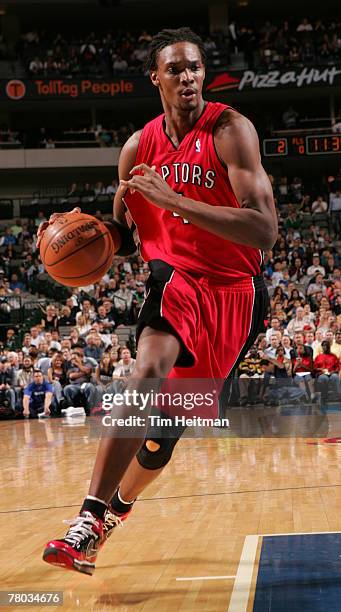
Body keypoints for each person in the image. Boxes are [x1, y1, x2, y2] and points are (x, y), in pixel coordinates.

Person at [40, 27, 277, 574]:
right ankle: (87, 516)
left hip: (236, 293)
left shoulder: (230, 130)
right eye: (176, 69)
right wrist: (85, 234)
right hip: (173, 281)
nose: (188, 76)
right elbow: (122, 238)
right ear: (156, 78)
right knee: (147, 372)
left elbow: (264, 230)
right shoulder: (137, 148)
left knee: (162, 436)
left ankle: (115, 512)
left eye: (195, 67)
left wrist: (175, 200)